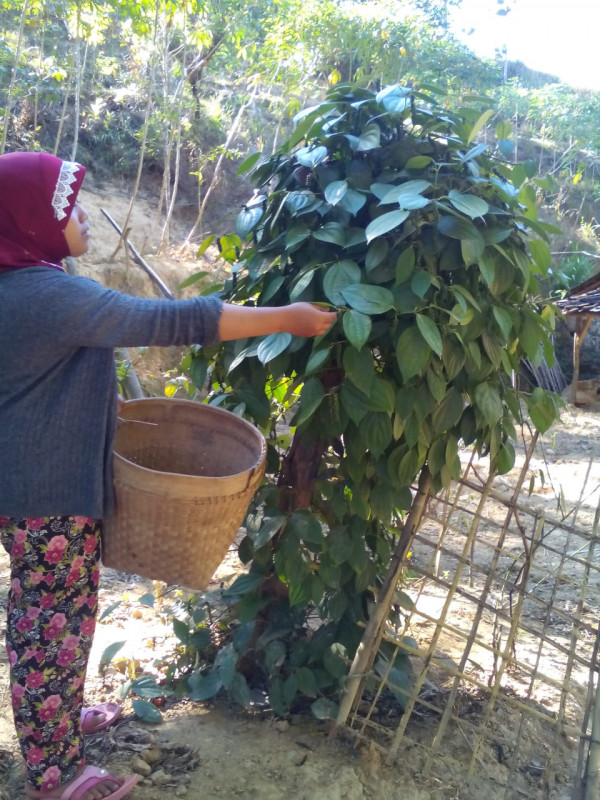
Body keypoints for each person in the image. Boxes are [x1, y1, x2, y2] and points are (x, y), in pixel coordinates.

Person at [0, 151, 336, 800]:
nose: (83, 219)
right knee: (49, 622)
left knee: (60, 616)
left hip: (28, 488)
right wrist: (286, 318)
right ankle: (53, 774)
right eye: (66, 208)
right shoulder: (51, 294)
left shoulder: (18, 283)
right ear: (30, 221)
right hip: (46, 497)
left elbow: (31, 384)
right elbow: (172, 320)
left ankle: (59, 725)